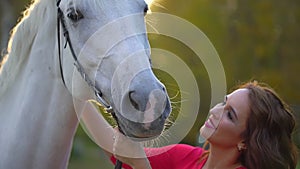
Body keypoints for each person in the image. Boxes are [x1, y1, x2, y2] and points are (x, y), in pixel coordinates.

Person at [106, 81, 298, 169]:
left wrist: (140, 164)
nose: (215, 111)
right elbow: (118, 150)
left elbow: (137, 160)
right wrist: (80, 98)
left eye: (229, 114)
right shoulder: (187, 157)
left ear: (245, 141)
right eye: (223, 102)